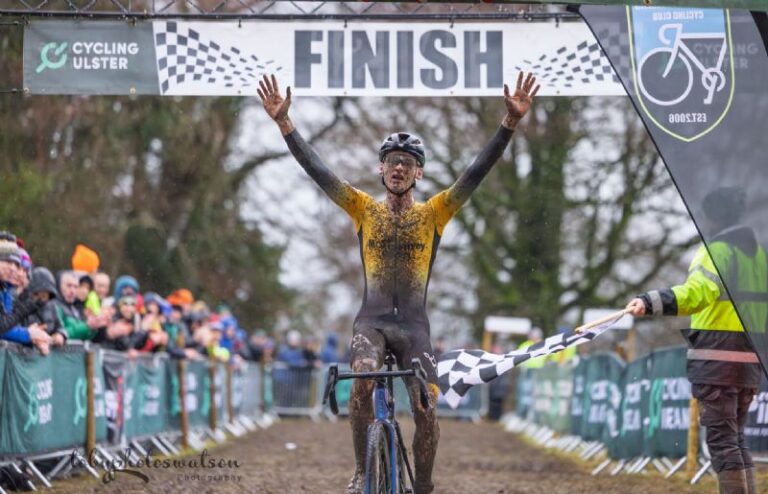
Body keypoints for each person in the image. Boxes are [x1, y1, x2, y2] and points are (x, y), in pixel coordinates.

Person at [257, 71, 539, 494]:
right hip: (369, 324)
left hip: (414, 328)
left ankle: (422, 486)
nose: (398, 168)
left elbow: (475, 174)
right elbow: (319, 171)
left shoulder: (434, 213)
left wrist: (509, 124)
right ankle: (359, 471)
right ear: (381, 168)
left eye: (407, 164)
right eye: (392, 161)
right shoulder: (362, 208)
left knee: (426, 409)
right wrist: (285, 125)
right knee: (363, 380)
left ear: (418, 175)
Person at [625, 186, 766, 494]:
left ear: (714, 218)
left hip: (718, 360)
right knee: (736, 439)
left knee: (722, 443)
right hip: (751, 362)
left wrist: (651, 301)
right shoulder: (760, 256)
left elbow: (697, 293)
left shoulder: (717, 251)